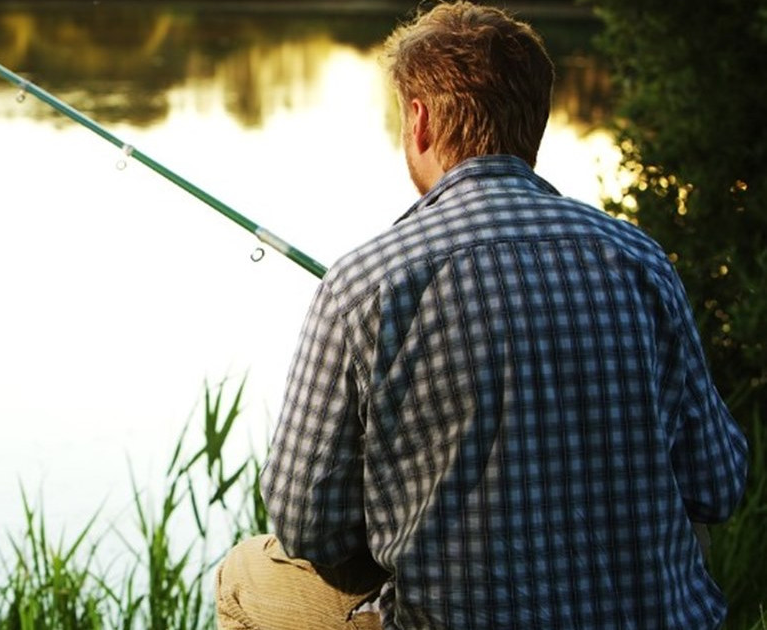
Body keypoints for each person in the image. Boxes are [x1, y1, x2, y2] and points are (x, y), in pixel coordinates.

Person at [215, 3, 749, 629]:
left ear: (418, 121)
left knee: (244, 573)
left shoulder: (364, 283)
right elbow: (718, 481)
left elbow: (304, 520)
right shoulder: (640, 260)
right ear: (536, 123)